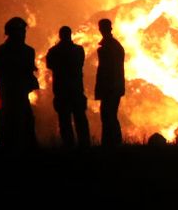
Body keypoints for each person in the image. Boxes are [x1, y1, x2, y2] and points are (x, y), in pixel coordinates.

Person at [0, 16, 38, 148]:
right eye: (20, 31)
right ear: (12, 32)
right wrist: (5, 79)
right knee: (9, 122)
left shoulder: (28, 51)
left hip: (20, 92)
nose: (23, 34)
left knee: (26, 122)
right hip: (8, 93)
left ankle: (25, 149)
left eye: (23, 31)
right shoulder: (4, 50)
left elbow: (28, 70)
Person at [45, 25, 89, 148]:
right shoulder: (78, 50)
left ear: (60, 36)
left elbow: (49, 65)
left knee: (65, 122)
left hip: (61, 91)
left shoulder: (54, 51)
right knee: (80, 120)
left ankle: (69, 147)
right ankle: (85, 147)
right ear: (70, 35)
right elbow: (80, 63)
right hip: (76, 90)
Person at [94, 18, 125, 146]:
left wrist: (107, 87)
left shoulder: (111, 46)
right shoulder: (112, 45)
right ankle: (112, 144)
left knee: (109, 116)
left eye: (103, 28)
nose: (102, 30)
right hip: (112, 87)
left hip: (111, 87)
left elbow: (108, 70)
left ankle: (112, 144)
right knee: (108, 116)